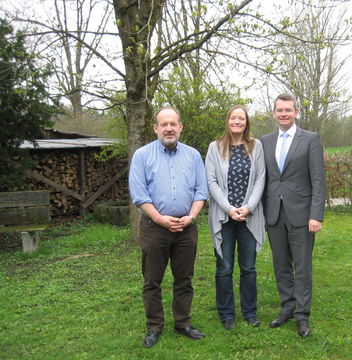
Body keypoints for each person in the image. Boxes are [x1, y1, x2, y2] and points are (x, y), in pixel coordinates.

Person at [128, 106, 208, 348]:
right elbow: (139, 195)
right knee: (152, 280)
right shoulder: (142, 156)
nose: (169, 128)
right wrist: (161, 219)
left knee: (184, 279)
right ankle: (154, 326)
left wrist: (192, 216)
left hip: (186, 228)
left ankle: (183, 322)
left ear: (181, 127)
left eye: (173, 123)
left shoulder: (193, 156)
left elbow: (201, 191)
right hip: (154, 228)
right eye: (164, 124)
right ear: (156, 128)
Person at [260, 93, 326, 338]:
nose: (284, 113)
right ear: (274, 113)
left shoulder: (310, 139)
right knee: (281, 266)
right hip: (274, 214)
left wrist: (316, 215)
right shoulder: (265, 141)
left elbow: (318, 180)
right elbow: (263, 178)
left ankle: (302, 315)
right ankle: (287, 307)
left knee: (302, 266)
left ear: (296, 112)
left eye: (288, 109)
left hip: (302, 215)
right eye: (279, 110)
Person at [205, 105, 266, 330]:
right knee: (224, 267)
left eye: (241, 118)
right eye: (234, 117)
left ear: (246, 122)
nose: (237, 121)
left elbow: (260, 178)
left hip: (249, 217)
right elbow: (211, 181)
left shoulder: (256, 146)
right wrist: (229, 208)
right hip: (224, 217)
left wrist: (248, 208)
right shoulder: (215, 147)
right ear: (228, 121)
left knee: (248, 268)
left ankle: (250, 312)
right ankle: (227, 314)